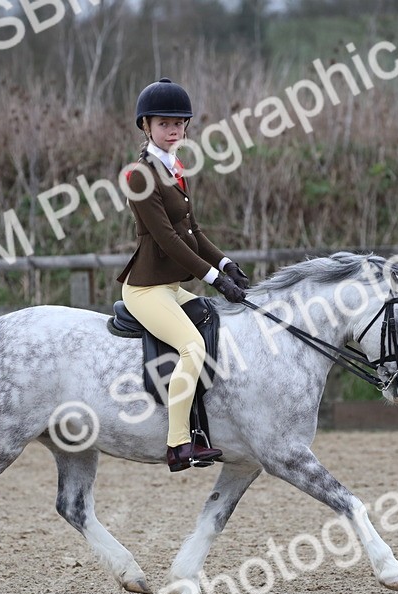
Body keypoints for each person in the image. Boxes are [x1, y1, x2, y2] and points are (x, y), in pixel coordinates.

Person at [116, 78, 252, 473]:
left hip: (171, 287)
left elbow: (193, 231)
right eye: (164, 124)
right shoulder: (139, 176)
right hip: (146, 290)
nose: (174, 130)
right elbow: (168, 240)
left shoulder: (174, 168)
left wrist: (226, 265)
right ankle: (178, 444)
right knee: (193, 347)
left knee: (216, 324)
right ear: (146, 126)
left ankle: (206, 425)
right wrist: (213, 279)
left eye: (179, 123)